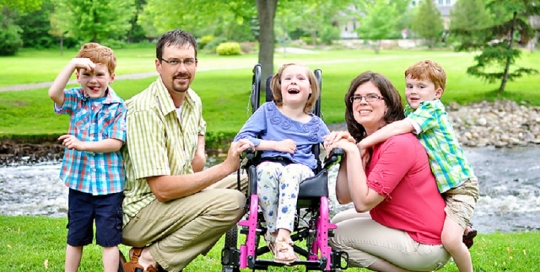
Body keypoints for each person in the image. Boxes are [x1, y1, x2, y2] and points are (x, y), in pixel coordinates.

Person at [120, 29, 253, 272]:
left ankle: (280, 240)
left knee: (247, 181)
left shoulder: (192, 100)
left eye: (188, 61)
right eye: (173, 61)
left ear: (196, 63)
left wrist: (200, 152)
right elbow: (162, 189)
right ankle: (148, 259)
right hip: (139, 213)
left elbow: (200, 126)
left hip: (175, 199)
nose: (182, 69)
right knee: (233, 201)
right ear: (159, 65)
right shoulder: (145, 110)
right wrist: (225, 168)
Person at [357, 60, 479, 272]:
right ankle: (463, 228)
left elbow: (400, 127)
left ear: (437, 92)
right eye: (410, 86)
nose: (413, 91)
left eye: (421, 87)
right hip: (442, 185)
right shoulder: (412, 110)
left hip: (460, 187)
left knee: (450, 240)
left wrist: (365, 142)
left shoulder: (431, 109)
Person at [324, 71, 450, 271]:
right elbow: (344, 197)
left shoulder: (398, 144)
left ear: (388, 105)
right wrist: (350, 152)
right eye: (357, 98)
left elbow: (363, 203)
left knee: (335, 236)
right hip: (409, 227)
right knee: (336, 221)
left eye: (372, 97)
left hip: (424, 242)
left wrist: (353, 152)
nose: (362, 102)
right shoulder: (370, 144)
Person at [234, 63, 329, 264]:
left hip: (301, 170)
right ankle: (276, 234)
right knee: (268, 169)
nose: (294, 81)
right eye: (288, 78)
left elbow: (331, 145)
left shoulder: (315, 124)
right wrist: (275, 145)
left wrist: (337, 144)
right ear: (279, 87)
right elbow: (241, 140)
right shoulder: (267, 111)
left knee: (291, 172)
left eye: (300, 79)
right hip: (269, 164)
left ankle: (282, 237)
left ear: (311, 89)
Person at [48, 43, 127, 272]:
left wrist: (82, 145)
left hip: (109, 187)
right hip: (79, 184)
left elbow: (115, 143)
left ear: (111, 77)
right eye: (87, 74)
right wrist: (73, 62)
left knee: (109, 239)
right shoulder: (76, 99)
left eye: (100, 75)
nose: (93, 81)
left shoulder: (117, 106)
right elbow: (54, 93)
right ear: (78, 76)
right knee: (75, 236)